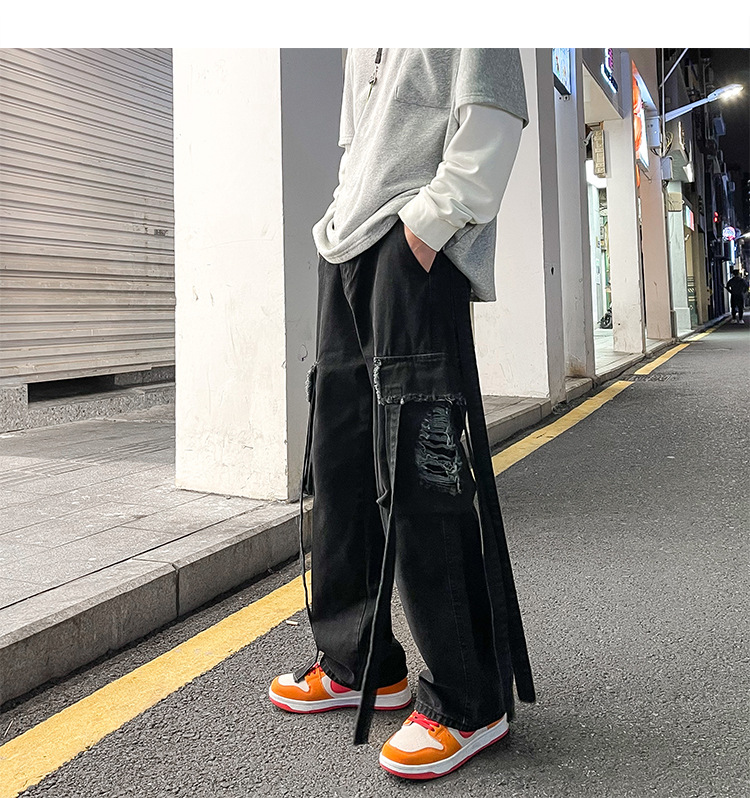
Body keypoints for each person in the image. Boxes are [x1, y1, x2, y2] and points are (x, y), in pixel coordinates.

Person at [268, 48, 535, 781]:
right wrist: (337, 220)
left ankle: (469, 700)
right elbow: (359, 139)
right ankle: (357, 662)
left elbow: (493, 116)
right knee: (341, 462)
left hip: (411, 251)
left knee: (422, 471)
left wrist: (425, 228)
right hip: (347, 248)